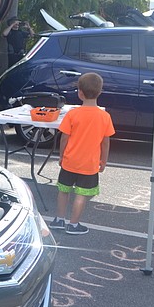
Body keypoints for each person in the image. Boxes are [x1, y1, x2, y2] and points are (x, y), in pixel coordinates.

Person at [50, 72, 115, 235]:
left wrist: (61, 156)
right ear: (100, 92)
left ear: (79, 92)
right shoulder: (105, 116)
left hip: (70, 161)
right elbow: (106, 142)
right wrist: (103, 161)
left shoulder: (72, 114)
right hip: (90, 164)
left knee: (63, 190)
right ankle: (73, 224)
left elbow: (64, 137)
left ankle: (59, 219)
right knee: (81, 194)